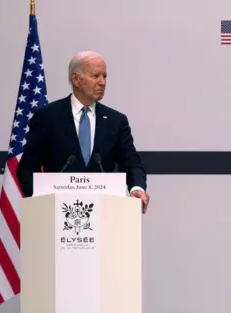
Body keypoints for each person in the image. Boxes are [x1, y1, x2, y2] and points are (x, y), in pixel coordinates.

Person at [16, 51, 150, 213]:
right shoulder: (47, 117)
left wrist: (137, 188)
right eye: (95, 76)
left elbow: (132, 163)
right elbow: (27, 168)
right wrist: (41, 203)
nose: (102, 82)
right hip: (56, 216)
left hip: (105, 213)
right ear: (76, 79)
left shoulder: (116, 120)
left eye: (104, 76)